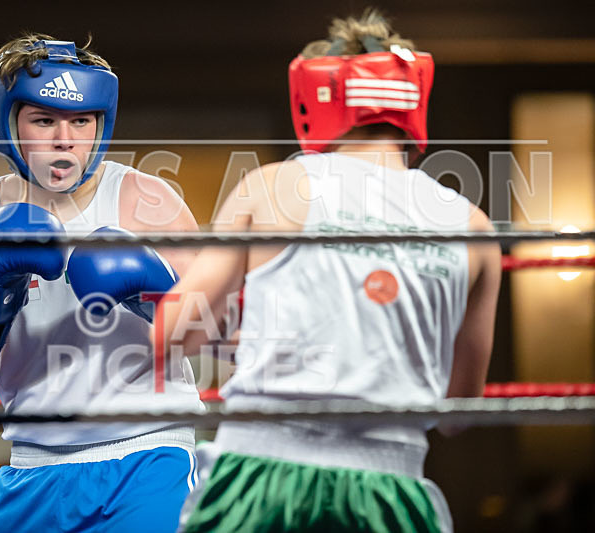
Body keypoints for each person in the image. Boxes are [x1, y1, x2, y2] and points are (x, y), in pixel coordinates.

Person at [155, 10, 501, 533]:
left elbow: (172, 339)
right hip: (395, 491)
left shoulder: (275, 187)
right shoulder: (473, 228)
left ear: (319, 98)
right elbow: (457, 413)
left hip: (263, 477)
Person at [0, 33, 203, 532]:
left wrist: (157, 293)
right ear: (9, 122)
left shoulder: (148, 201)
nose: (64, 138)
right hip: (33, 467)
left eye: (81, 120)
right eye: (44, 120)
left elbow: (230, 337)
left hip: (148, 455)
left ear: (102, 123)